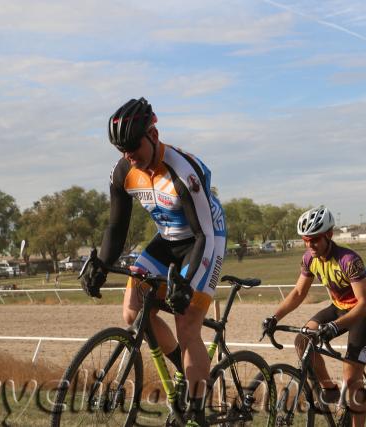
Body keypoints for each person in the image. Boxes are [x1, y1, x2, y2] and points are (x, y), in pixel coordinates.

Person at [81, 97, 226, 426]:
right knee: (133, 310)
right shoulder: (123, 172)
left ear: (153, 134)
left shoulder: (183, 171)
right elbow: (116, 229)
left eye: (133, 146)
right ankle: (185, 369)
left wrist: (185, 284)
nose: (129, 155)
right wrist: (101, 265)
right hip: (169, 239)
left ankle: (197, 406)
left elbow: (202, 234)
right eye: (122, 150)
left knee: (187, 322)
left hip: (205, 240)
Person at [262, 206, 366, 427]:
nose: (309, 245)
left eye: (314, 240)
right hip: (338, 307)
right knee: (303, 339)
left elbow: (365, 303)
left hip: (363, 313)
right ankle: (329, 390)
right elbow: (298, 293)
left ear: (329, 235)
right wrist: (274, 317)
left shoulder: (348, 259)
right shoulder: (309, 259)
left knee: (352, 379)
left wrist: (335, 326)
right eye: (306, 240)